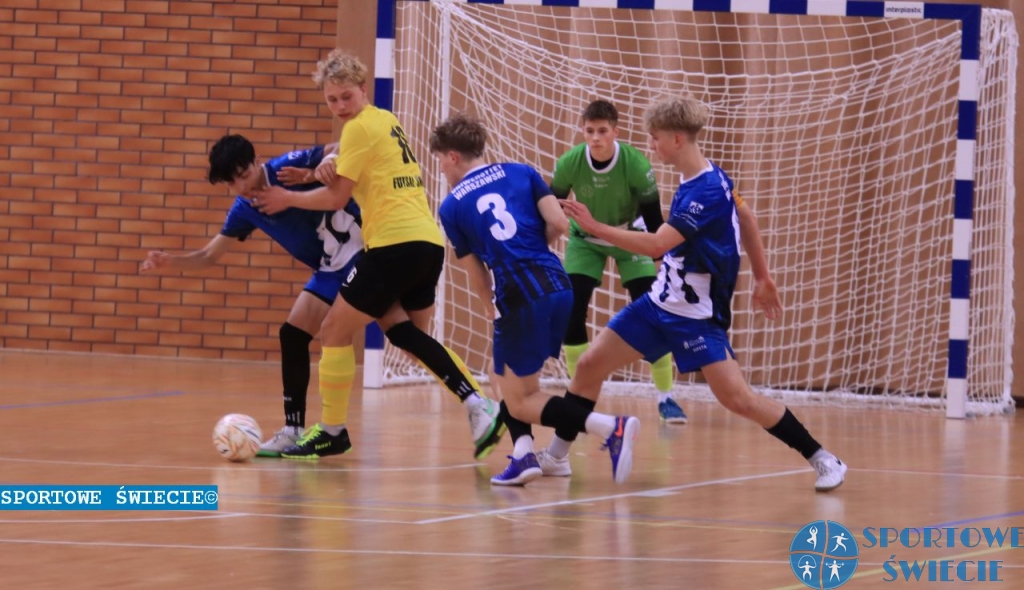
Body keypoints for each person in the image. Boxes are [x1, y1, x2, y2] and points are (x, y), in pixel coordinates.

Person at [559, 97, 847, 492]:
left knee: (738, 399)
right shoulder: (708, 177)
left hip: (695, 315)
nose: (652, 147)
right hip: (660, 303)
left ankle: (823, 458)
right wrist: (763, 277)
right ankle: (556, 456)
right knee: (590, 364)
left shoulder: (705, 192)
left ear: (677, 139)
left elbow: (657, 245)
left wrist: (595, 228)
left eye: (656, 139)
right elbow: (745, 215)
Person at [250, 49, 505, 460]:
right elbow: (358, 165)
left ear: (363, 89)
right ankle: (478, 405)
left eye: (345, 97)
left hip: (392, 244)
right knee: (406, 335)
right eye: (331, 100)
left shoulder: (357, 129)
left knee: (334, 330)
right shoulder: (385, 120)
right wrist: (318, 169)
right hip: (426, 243)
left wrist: (288, 197)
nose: (339, 106)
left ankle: (332, 430)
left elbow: (337, 198)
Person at [431, 113, 640, 485]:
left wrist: (489, 308)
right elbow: (560, 224)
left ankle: (610, 427)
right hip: (558, 284)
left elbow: (476, 272)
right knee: (501, 372)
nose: (443, 170)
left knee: (520, 399)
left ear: (451, 157)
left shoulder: (450, 206)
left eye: (440, 162)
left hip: (518, 291)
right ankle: (526, 455)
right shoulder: (522, 171)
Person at [140, 134, 363, 457]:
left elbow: (344, 145)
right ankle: (293, 430)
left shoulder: (287, 167)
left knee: (400, 332)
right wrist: (172, 261)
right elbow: (209, 256)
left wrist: (327, 164)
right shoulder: (244, 208)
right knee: (293, 334)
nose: (242, 187)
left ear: (256, 161)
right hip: (330, 268)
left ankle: (465, 395)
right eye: (232, 184)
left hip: (361, 252)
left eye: (244, 176)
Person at [550, 100, 686, 424]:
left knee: (651, 311)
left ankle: (667, 398)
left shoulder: (636, 164)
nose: (595, 138)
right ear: (582, 131)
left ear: (616, 132)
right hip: (586, 241)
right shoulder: (569, 163)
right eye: (589, 131)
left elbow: (655, 221)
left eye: (602, 131)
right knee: (572, 307)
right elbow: (549, 205)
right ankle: (579, 396)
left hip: (630, 237)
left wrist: (661, 261)